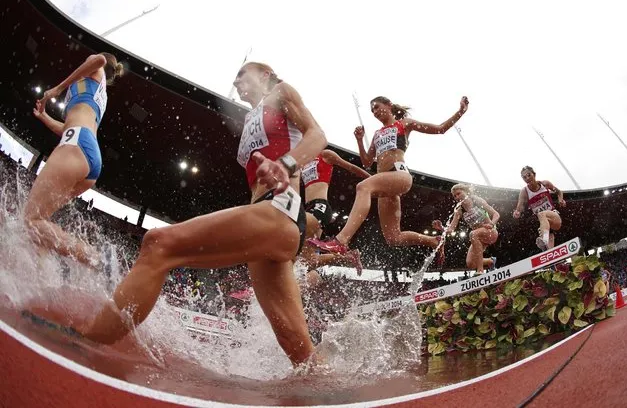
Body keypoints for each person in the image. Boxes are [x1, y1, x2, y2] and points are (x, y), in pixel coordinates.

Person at [70, 62, 327, 366]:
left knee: (158, 244)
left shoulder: (282, 92)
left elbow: (317, 135)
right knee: (297, 349)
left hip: (280, 208)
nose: (237, 82)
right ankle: (330, 386)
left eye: (242, 74)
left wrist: (285, 164)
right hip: (269, 220)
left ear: (266, 74)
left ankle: (90, 342)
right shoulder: (250, 117)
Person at [310, 95, 469, 254]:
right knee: (393, 238)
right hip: (385, 184)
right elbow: (366, 162)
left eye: (377, 107)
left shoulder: (404, 124)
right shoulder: (377, 134)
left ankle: (341, 240)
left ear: (389, 105)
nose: (375, 112)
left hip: (399, 175)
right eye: (372, 110)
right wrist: (359, 140)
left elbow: (440, 129)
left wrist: (460, 111)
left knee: (363, 187)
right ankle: (433, 241)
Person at [25, 53, 124, 267]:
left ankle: (97, 260)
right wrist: (44, 117)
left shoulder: (97, 68)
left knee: (31, 220)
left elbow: (99, 61)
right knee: (40, 222)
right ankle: (40, 279)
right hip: (87, 154)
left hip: (77, 144)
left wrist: (57, 89)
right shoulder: (97, 93)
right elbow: (66, 127)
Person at [299, 149, 369, 286]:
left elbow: (351, 167)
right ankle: (347, 256)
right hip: (308, 207)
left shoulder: (325, 155)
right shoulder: (302, 161)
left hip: (320, 206)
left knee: (292, 226)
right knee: (309, 261)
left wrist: (372, 179)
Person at [445, 184, 499, 274]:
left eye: (458, 193)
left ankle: (480, 270)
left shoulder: (477, 200)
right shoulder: (459, 210)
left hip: (490, 232)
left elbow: (496, 214)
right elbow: (451, 229)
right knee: (470, 263)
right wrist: (442, 228)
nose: (457, 197)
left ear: (466, 192)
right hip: (479, 238)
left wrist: (491, 224)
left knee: (473, 234)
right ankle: (491, 261)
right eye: (455, 196)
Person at [513, 166, 566, 251]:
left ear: (534, 174)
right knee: (549, 252)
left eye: (529, 175)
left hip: (554, 217)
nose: (527, 178)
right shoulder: (524, 192)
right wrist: (517, 212)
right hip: (544, 225)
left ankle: (544, 240)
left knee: (541, 214)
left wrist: (560, 200)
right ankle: (547, 248)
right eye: (524, 177)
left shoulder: (545, 184)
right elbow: (519, 208)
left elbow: (559, 192)